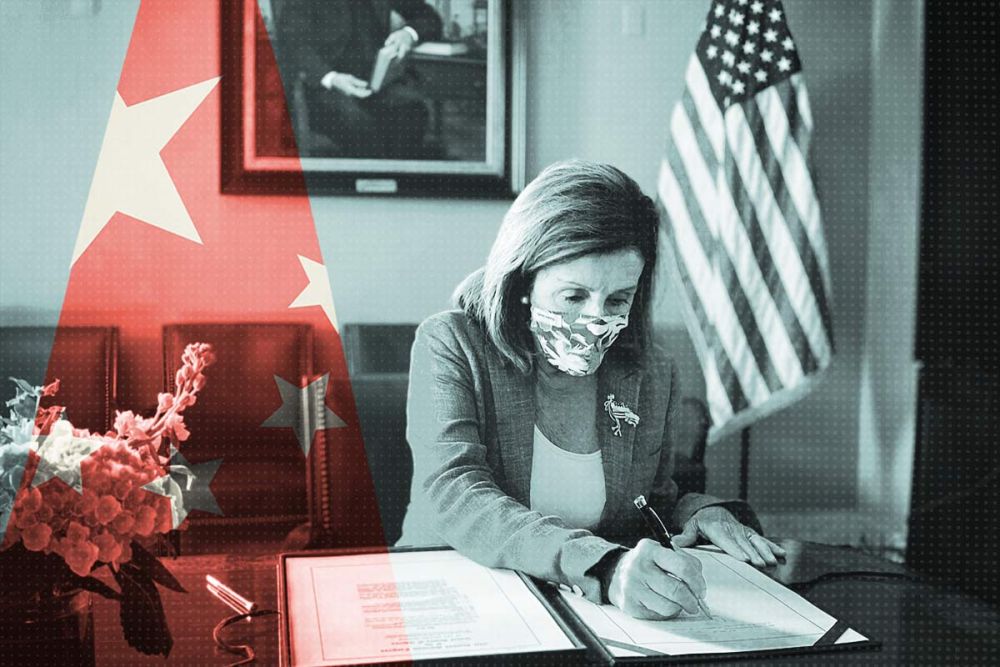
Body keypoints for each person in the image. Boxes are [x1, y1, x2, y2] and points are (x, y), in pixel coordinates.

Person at [396, 160, 786, 619]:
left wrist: (698, 512)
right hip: (455, 592)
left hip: (586, 611)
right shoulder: (451, 343)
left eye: (618, 299)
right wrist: (600, 565)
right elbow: (454, 492)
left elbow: (649, 504)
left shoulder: (653, 373)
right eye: (574, 296)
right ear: (523, 279)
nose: (596, 319)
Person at [278, 0, 443, 158]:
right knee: (357, 122)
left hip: (375, 85)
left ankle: (395, 176)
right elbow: (294, 43)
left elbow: (430, 18)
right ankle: (371, 176)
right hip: (324, 88)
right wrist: (332, 78)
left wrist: (408, 34)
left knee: (412, 112)